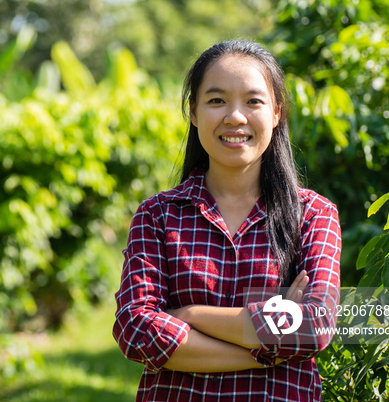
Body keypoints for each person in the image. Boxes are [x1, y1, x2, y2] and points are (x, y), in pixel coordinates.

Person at [113, 40, 341, 401]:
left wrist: (186, 314)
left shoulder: (313, 214)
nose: (235, 116)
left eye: (253, 101)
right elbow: (136, 329)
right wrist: (265, 351)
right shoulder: (157, 216)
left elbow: (315, 325)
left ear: (277, 113)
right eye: (217, 100)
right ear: (193, 112)